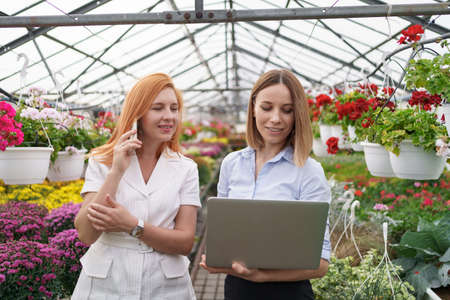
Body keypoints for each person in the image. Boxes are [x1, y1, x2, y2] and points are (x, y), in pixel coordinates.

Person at [200, 69, 331, 300]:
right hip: (236, 290)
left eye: (287, 110)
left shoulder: (309, 172)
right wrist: (218, 260)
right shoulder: (232, 164)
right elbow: (222, 239)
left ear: (297, 115)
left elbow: (320, 264)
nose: (276, 118)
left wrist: (262, 276)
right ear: (253, 108)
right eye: (267, 107)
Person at [72, 73, 200, 300]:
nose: (169, 116)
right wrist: (117, 171)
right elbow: (86, 233)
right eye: (158, 108)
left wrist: (133, 225)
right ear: (137, 113)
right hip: (107, 284)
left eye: (174, 108)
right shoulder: (102, 161)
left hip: (165, 287)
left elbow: (184, 242)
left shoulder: (185, 168)